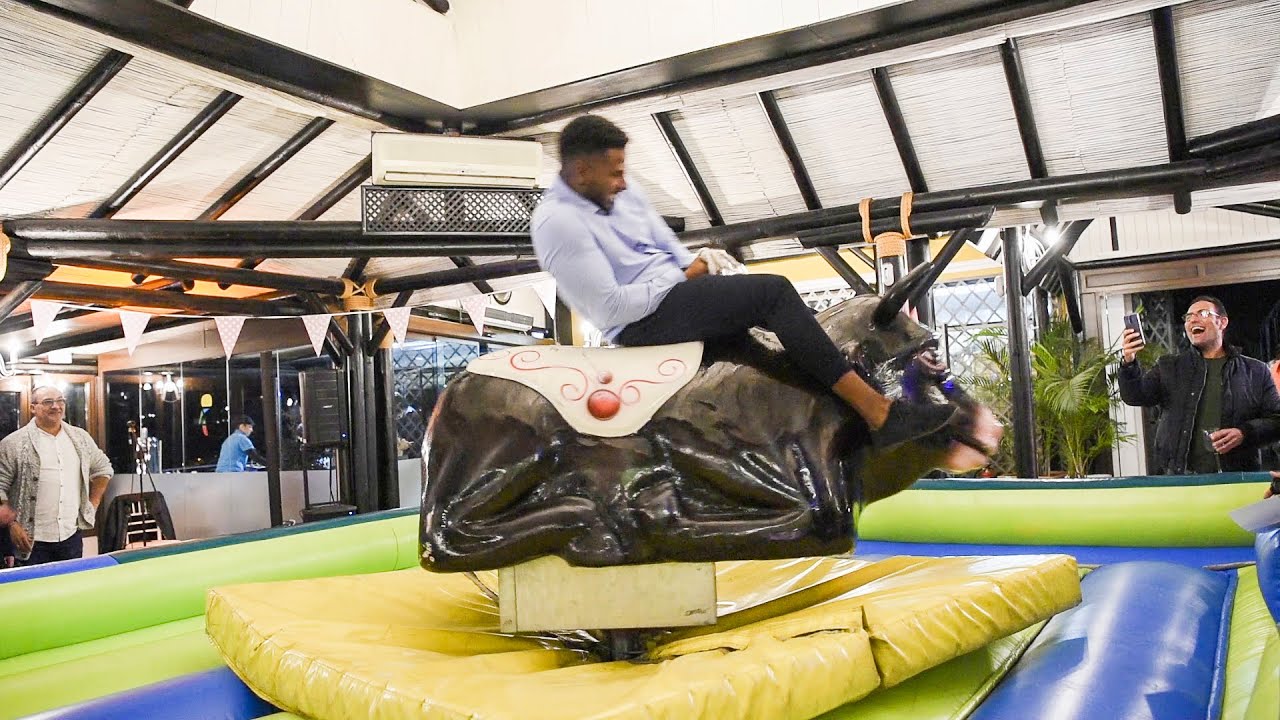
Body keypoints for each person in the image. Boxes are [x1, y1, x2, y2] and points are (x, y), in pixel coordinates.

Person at [531, 114, 956, 449]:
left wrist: (702, 263)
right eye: (614, 173)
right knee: (774, 293)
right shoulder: (559, 223)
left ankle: (841, 420)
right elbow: (611, 308)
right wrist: (686, 275)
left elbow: (664, 248)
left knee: (785, 329)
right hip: (639, 322)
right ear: (582, 171)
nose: (623, 182)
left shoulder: (618, 194)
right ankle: (879, 413)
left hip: (675, 293)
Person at [1119, 295, 1280, 474]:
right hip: (1180, 479)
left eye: (1202, 313)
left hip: (1236, 477)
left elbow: (1276, 420)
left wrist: (1244, 433)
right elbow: (1135, 395)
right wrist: (1128, 362)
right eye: (1188, 317)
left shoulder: (1256, 371)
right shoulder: (1169, 367)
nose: (1193, 320)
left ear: (1222, 322)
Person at [0, 385, 114, 566]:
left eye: (60, 401)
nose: (56, 406)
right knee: (34, 584)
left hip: (71, 536)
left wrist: (92, 504)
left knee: (71, 584)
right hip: (30, 541)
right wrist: (12, 524)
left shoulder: (80, 438)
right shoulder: (13, 443)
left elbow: (103, 469)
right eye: (48, 402)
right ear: (33, 408)